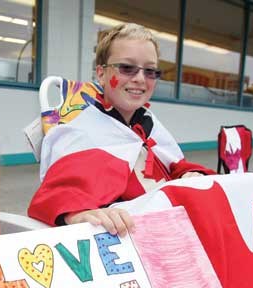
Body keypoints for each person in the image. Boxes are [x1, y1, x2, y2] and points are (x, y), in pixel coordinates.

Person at [28, 23, 214, 235]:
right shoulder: (78, 131)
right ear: (101, 74)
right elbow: (60, 193)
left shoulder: (149, 122)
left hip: (170, 226)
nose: (140, 79)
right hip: (125, 236)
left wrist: (191, 174)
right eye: (127, 68)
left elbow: (174, 165)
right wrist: (78, 214)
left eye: (150, 71)